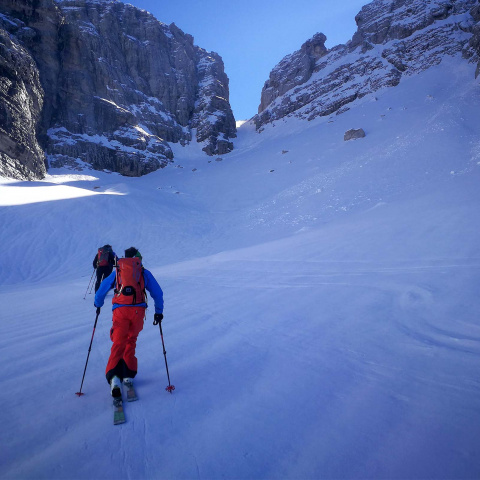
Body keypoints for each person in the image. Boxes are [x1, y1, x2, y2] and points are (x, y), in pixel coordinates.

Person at [94, 247, 164, 397]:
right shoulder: (143, 272)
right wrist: (159, 312)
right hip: (138, 312)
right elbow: (158, 293)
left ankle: (114, 376)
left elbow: (101, 290)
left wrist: (98, 304)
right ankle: (128, 374)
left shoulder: (118, 272)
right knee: (131, 340)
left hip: (120, 311)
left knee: (118, 341)